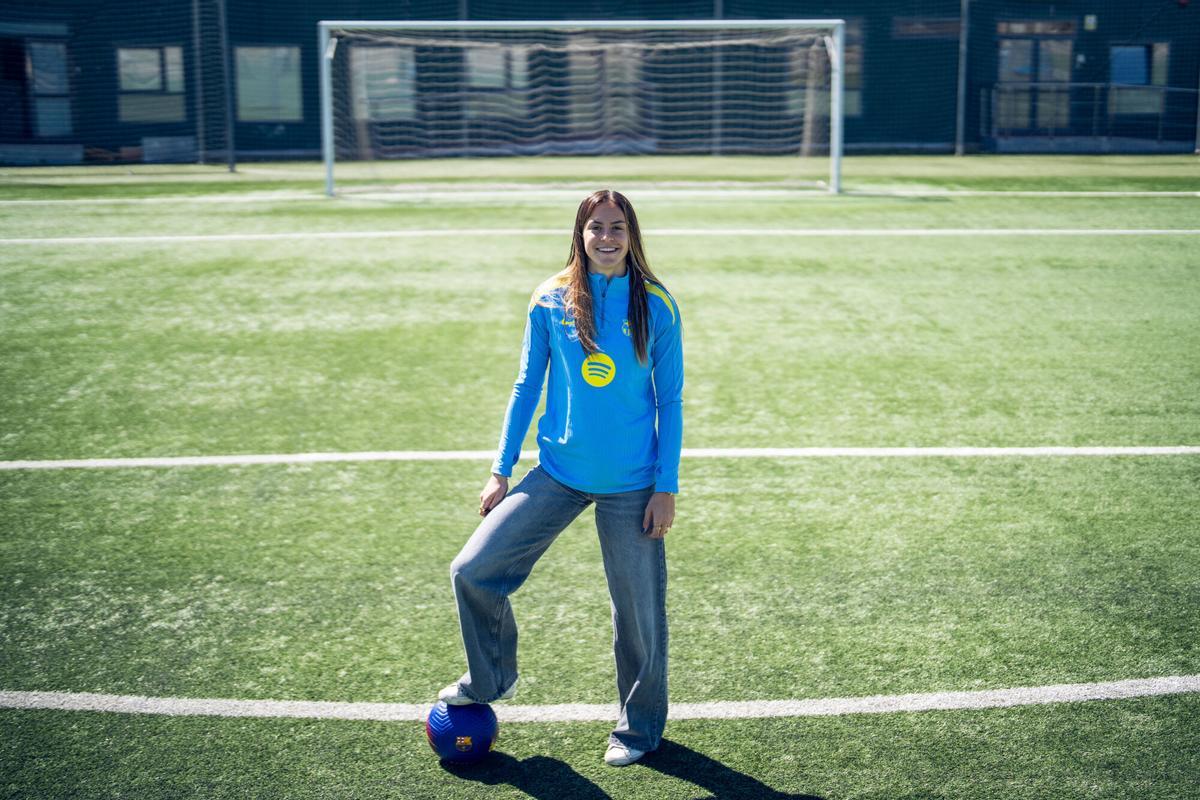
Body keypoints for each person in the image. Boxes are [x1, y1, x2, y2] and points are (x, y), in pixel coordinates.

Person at [439, 189, 684, 767]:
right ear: (579, 234)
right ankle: (490, 679)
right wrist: (500, 470)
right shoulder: (550, 299)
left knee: (637, 614)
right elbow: (527, 386)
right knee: (473, 569)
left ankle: (638, 731)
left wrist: (665, 486)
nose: (606, 237)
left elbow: (669, 400)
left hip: (633, 484)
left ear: (632, 234)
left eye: (617, 227)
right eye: (595, 227)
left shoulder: (656, 304)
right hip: (559, 473)